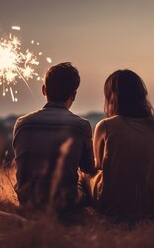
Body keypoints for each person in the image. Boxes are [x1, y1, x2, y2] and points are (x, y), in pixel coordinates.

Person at [91, 69, 154, 221]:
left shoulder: (105, 125)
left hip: (114, 207)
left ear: (112, 95)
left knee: (83, 173)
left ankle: (71, 210)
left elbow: (98, 165)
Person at [12, 62, 96, 213]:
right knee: (86, 178)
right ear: (74, 95)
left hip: (27, 201)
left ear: (44, 90)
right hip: (65, 203)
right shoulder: (81, 125)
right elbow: (88, 168)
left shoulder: (22, 123)